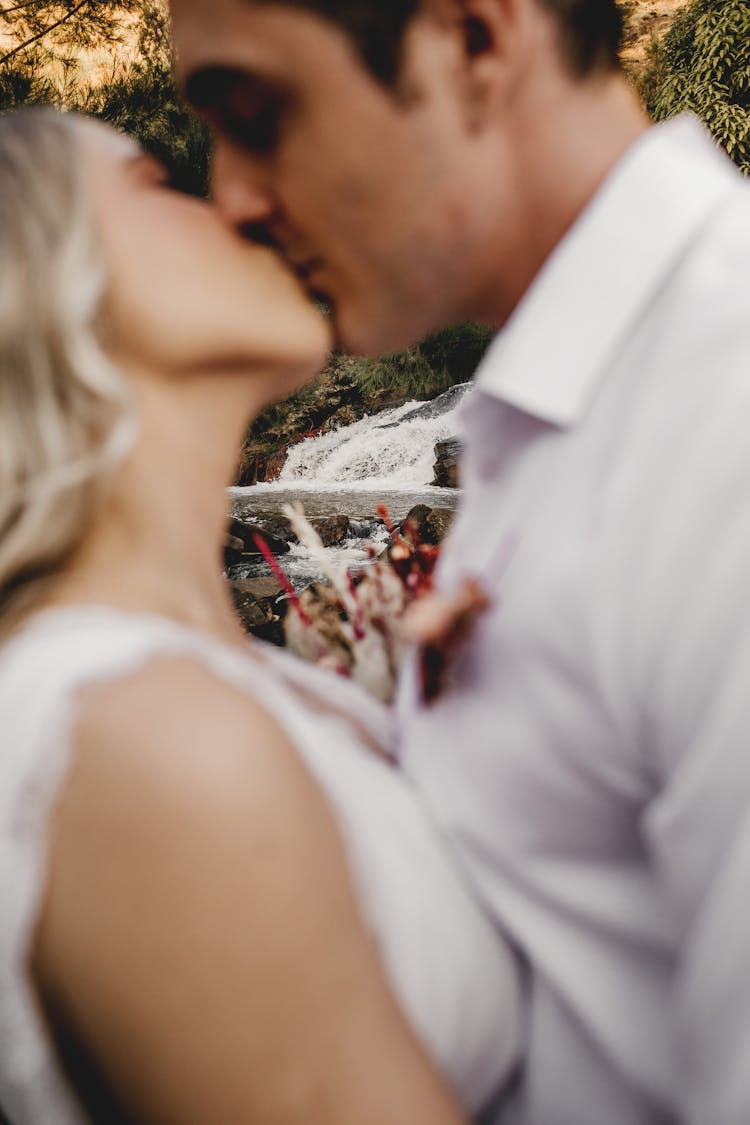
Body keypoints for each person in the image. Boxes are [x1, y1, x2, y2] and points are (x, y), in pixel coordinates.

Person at [168, 0, 750, 1121]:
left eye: (257, 111)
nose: (231, 195)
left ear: (477, 41)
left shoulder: (720, 414)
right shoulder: (568, 408)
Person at [0, 107, 524, 1125]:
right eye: (163, 186)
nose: (239, 202)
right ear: (40, 287)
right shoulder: (142, 740)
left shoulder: (194, 686)